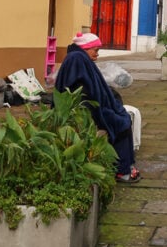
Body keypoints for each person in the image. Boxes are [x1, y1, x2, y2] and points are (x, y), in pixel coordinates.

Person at [54, 32, 141, 183]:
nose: (97, 54)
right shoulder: (77, 59)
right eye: (95, 50)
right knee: (120, 122)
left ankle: (125, 165)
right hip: (85, 109)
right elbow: (84, 91)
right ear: (86, 48)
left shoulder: (80, 58)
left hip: (90, 105)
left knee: (123, 117)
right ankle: (122, 170)